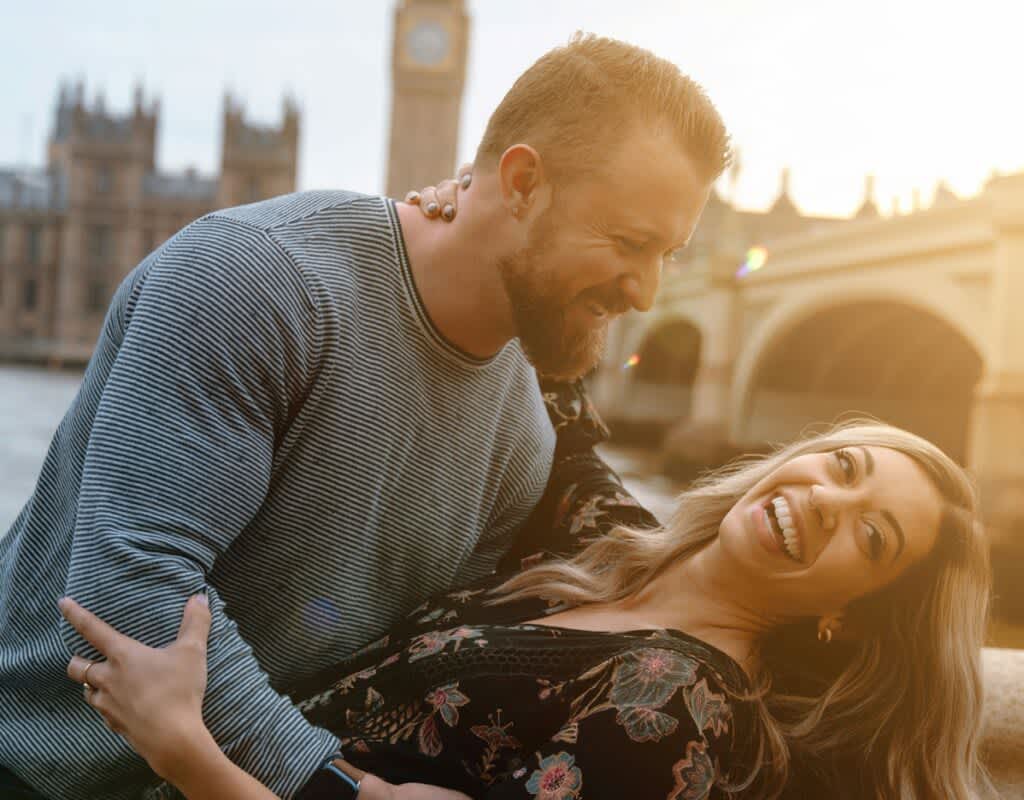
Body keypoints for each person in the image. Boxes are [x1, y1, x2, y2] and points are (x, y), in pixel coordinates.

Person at [0, 33, 729, 799]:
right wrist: (329, 787)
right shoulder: (257, 280)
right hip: (31, 766)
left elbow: (401, 655)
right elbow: (130, 585)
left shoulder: (524, 436)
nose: (647, 293)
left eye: (666, 255)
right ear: (521, 183)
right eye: (630, 243)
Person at [60, 421, 993, 800]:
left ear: (854, 616)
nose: (830, 501)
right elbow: (565, 388)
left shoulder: (678, 718)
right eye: (844, 466)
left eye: (873, 539)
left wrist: (183, 747)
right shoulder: (615, 551)